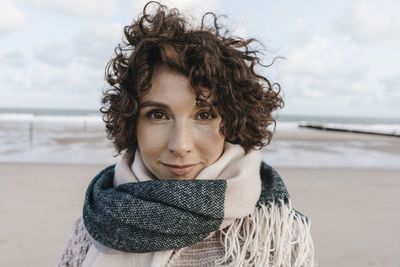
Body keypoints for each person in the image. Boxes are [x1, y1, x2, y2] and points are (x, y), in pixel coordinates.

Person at [58, 1, 315, 266]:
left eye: (204, 115)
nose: (180, 145)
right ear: (131, 121)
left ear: (234, 118)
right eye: (158, 115)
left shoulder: (275, 236)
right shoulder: (92, 226)